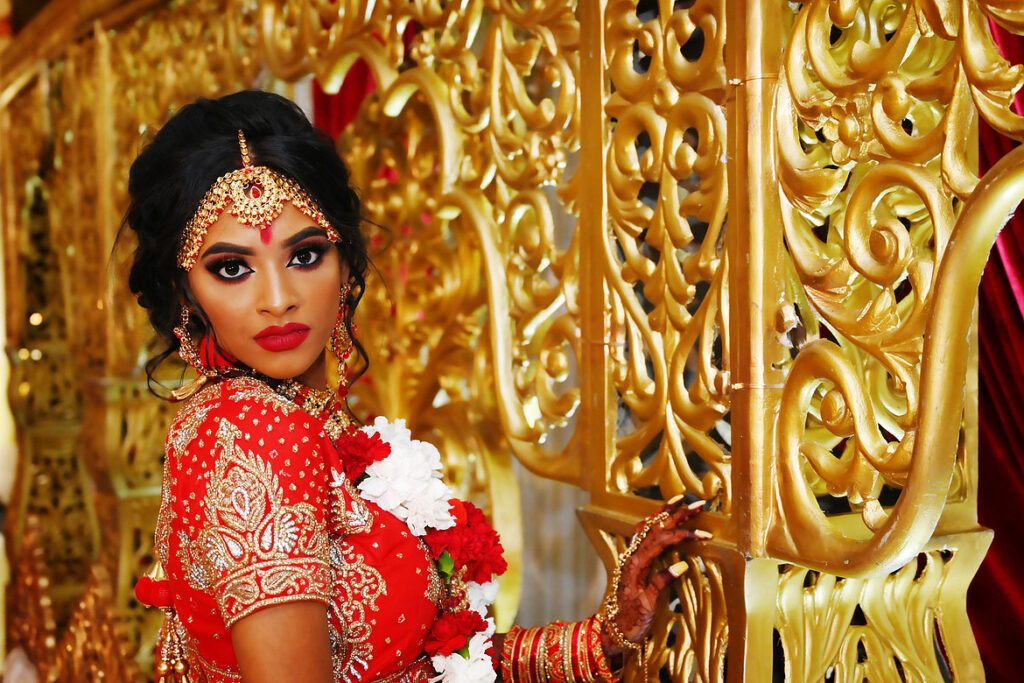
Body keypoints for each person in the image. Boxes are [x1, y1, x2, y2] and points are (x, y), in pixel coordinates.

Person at [125, 90, 709, 683]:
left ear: (345, 259)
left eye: (304, 255)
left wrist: (601, 639)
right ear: (185, 292)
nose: (277, 299)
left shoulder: (306, 423)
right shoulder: (254, 429)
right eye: (232, 268)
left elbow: (426, 664)